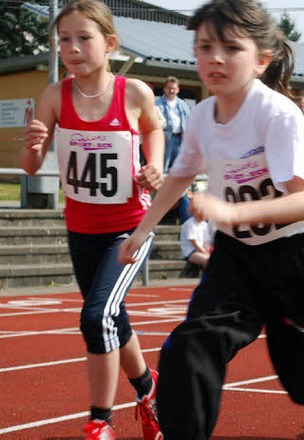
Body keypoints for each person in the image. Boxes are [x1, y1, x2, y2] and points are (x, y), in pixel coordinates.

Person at [117, 1, 304, 439]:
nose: (215, 58)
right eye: (205, 46)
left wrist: (232, 211)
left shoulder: (278, 115)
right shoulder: (200, 117)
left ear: (261, 60)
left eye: (230, 48)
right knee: (190, 347)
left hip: (299, 259)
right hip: (236, 258)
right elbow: (179, 175)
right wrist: (143, 229)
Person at [20, 1, 165, 439]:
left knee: (96, 317)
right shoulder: (55, 95)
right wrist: (32, 142)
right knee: (110, 318)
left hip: (130, 228)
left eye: (84, 38)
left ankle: (100, 421)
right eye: (64, 40)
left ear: (110, 43)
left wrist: (154, 164)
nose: (73, 48)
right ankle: (147, 390)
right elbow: (30, 166)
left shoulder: (134, 92)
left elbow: (155, 128)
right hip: (81, 229)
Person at [156, 76, 191, 172]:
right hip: (165, 138)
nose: (171, 91)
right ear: (164, 89)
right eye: (169, 88)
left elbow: (189, 121)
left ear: (178, 90)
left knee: (179, 167)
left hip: (180, 138)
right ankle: (161, 187)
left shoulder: (183, 104)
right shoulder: (157, 103)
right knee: (163, 166)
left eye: (174, 88)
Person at [179, 198, 214, 268]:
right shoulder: (189, 224)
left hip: (201, 250)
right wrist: (205, 253)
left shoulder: (205, 224)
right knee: (209, 260)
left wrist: (207, 251)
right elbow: (194, 244)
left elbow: (206, 242)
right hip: (190, 252)